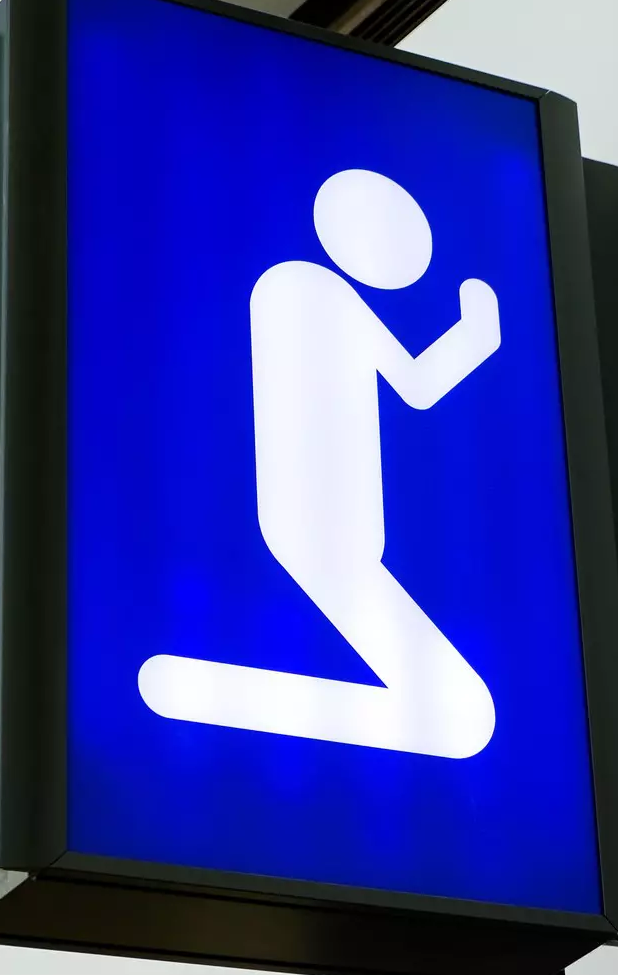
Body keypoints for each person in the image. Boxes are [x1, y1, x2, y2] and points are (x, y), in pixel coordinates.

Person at [138, 169, 501, 758]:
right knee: (468, 717)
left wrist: (476, 335)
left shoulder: (328, 294)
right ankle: (198, 692)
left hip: (350, 524)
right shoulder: (297, 285)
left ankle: (219, 691)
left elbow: (416, 386)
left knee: (459, 712)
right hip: (315, 519)